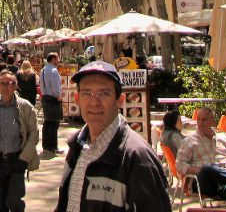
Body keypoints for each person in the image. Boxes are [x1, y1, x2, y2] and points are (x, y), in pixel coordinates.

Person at [55, 60, 170, 212]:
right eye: (87, 93)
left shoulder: (138, 157)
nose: (94, 102)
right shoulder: (77, 147)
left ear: (120, 100)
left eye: (104, 94)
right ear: (77, 99)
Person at [0, 69, 40, 212]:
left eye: (11, 83)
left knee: (14, 200)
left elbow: (34, 134)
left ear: (16, 85)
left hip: (17, 160)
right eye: (3, 83)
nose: (7, 87)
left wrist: (24, 158)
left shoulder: (26, 107)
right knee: (0, 202)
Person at [176, 107, 226, 201]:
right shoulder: (189, 141)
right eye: (198, 119)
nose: (200, 123)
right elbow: (179, 164)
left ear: (212, 121)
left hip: (224, 179)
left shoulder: (222, 138)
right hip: (202, 181)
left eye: (204, 120)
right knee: (208, 168)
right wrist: (198, 170)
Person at [40, 52, 63, 157]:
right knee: (54, 123)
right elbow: (55, 86)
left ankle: (46, 146)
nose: (58, 60)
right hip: (53, 98)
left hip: (45, 97)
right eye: (57, 58)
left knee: (47, 122)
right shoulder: (53, 71)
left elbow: (41, 85)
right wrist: (58, 96)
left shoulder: (43, 70)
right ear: (53, 59)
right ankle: (53, 147)